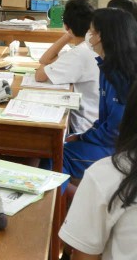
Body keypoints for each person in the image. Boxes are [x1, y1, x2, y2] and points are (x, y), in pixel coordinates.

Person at [59, 82, 137, 259]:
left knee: (56, 157)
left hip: (105, 148)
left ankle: (53, 229)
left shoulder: (110, 175)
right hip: (101, 144)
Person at [60, 8, 137, 180]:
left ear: (100, 36)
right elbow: (104, 119)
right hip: (114, 143)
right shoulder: (108, 66)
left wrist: (84, 138)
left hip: (123, 151)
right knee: (57, 148)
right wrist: (81, 137)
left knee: (57, 156)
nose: (89, 36)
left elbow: (114, 131)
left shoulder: (123, 75)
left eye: (91, 31)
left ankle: (69, 197)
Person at [35, 0, 99, 133]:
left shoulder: (79, 53)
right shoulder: (92, 46)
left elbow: (40, 74)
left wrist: (68, 33)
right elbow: (45, 60)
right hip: (98, 118)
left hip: (85, 126)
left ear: (66, 26)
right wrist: (69, 33)